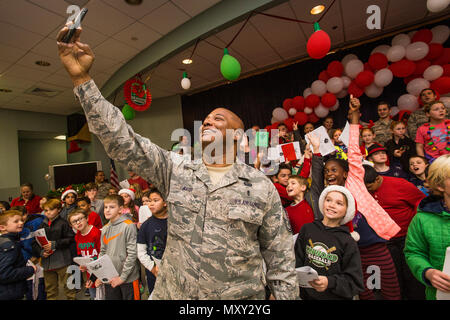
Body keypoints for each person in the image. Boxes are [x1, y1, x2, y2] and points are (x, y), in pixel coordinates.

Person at [57, 23, 298, 300]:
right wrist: (82, 80)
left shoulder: (259, 186)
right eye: (206, 118)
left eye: (219, 119)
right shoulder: (177, 168)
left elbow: (280, 259)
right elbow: (122, 141)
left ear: (238, 136)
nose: (208, 120)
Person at [363, 164, 426, 299]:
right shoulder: (364, 191)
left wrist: (416, 226)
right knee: (393, 276)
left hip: (407, 237)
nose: (367, 190)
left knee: (411, 273)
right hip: (385, 240)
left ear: (378, 179)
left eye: (369, 187)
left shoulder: (400, 184)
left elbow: (420, 201)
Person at [294, 186, 365, 300]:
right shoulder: (307, 229)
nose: (332, 205)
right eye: (328, 200)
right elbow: (296, 261)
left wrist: (329, 282)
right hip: (304, 296)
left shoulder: (348, 241)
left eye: (339, 203)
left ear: (347, 210)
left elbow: (355, 283)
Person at [404, 154, 450, 300]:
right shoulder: (422, 219)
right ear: (440, 185)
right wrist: (428, 272)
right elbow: (414, 252)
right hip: (441, 294)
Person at [94, 195, 140, 300]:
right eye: (105, 207)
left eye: (112, 207)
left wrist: (122, 278)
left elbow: (132, 254)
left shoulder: (128, 225)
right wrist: (101, 275)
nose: (107, 210)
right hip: (110, 278)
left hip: (128, 279)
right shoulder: (105, 228)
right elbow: (102, 252)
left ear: (120, 209)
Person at [31, 198, 77, 300]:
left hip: (63, 260)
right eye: (46, 210)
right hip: (47, 262)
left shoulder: (63, 223)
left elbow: (71, 239)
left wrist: (56, 243)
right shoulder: (42, 225)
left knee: (69, 286)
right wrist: (41, 252)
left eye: (51, 210)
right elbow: (34, 242)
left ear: (59, 209)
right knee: (50, 289)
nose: (48, 213)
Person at [137, 188, 168, 297]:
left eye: (155, 200)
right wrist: (153, 268)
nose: (151, 204)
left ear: (165, 202)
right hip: (154, 272)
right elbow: (141, 252)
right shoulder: (145, 226)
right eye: (149, 201)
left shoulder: (174, 223)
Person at [0, 210, 37, 300]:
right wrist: (30, 270)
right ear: (2, 227)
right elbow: (5, 273)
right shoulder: (9, 245)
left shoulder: (8, 241)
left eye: (21, 220)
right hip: (9, 293)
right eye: (16, 221)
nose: (21, 223)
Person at [68, 209, 101, 300]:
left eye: (80, 219)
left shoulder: (96, 232)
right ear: (71, 226)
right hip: (89, 272)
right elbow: (81, 254)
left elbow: (103, 253)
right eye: (74, 222)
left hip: (100, 270)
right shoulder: (77, 236)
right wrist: (82, 265)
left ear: (87, 218)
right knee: (93, 296)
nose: (78, 222)